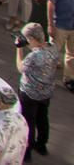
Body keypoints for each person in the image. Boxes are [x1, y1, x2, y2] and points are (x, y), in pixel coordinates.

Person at [16, 22, 56, 156]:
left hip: (29, 93)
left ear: (32, 39)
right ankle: (42, 145)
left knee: (28, 121)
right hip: (46, 92)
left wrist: (19, 49)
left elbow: (21, 68)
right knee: (42, 118)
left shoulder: (33, 56)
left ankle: (27, 149)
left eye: (26, 39)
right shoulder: (53, 47)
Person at [49, 0, 74, 89]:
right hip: (60, 24)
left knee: (72, 55)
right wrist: (50, 25)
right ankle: (46, 77)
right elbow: (51, 3)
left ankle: (69, 79)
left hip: (73, 26)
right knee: (53, 54)